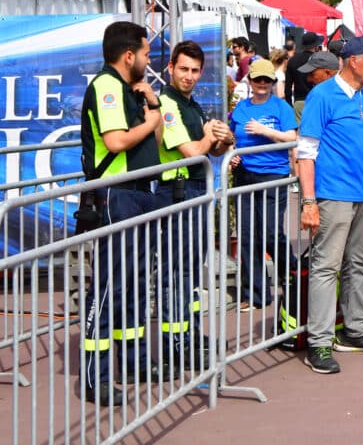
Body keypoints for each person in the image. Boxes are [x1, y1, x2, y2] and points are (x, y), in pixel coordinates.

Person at [298, 37, 363, 374]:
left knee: (358, 262)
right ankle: (319, 342)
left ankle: (356, 329)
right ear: (354, 60)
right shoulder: (322, 96)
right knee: (326, 267)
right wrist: (310, 201)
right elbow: (306, 152)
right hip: (333, 194)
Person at [80, 21, 163, 405]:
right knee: (109, 287)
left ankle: (132, 363)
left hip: (138, 192)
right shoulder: (106, 86)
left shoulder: (131, 89)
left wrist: (154, 105)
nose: (148, 60)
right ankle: (93, 378)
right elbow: (115, 141)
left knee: (132, 286)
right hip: (116, 195)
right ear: (129, 55)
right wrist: (149, 121)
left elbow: (157, 140)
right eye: (146, 53)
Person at [156, 40, 233, 370]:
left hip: (197, 192)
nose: (189, 76)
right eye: (183, 69)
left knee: (190, 272)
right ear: (170, 68)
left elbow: (210, 151)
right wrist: (209, 137)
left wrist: (223, 138)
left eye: (195, 70)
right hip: (177, 193)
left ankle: (189, 333)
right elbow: (192, 152)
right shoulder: (166, 104)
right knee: (177, 273)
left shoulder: (193, 105)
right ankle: (177, 344)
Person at [229, 59, 298, 312]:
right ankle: (255, 294)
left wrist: (265, 131)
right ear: (249, 81)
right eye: (257, 79)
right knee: (248, 236)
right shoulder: (241, 109)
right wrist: (232, 153)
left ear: (272, 83)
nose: (261, 84)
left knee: (270, 233)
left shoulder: (281, 108)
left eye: (266, 80)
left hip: (272, 176)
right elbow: (231, 137)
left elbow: (292, 138)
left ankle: (290, 271)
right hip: (245, 175)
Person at [285, 32, 321, 115]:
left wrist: (289, 105)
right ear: (315, 45)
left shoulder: (293, 60)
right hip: (316, 100)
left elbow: (288, 86)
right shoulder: (319, 60)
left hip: (299, 101)